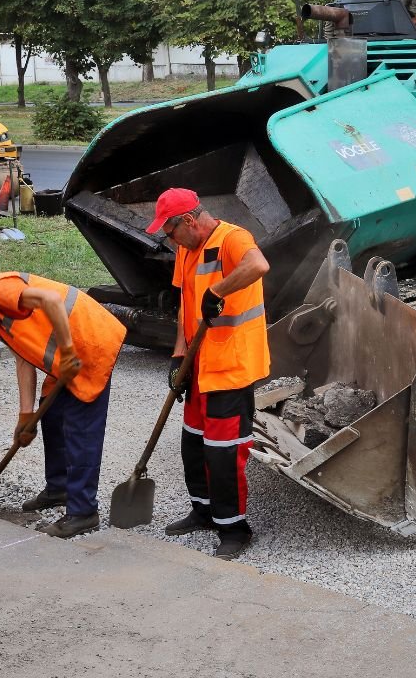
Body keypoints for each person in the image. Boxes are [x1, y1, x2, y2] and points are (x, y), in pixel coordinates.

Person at [0, 271, 127, 538]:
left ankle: (83, 512)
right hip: (65, 354)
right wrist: (25, 416)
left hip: (88, 341)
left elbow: (53, 300)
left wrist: (66, 350)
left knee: (81, 429)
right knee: (51, 416)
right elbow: (24, 359)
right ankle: (60, 488)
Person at [145, 188, 270, 560]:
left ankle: (234, 529)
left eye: (170, 232)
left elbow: (258, 265)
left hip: (231, 365)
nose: (169, 241)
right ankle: (203, 511)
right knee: (193, 443)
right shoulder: (186, 247)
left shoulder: (233, 239)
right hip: (199, 364)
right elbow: (185, 305)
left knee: (224, 452)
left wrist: (219, 289)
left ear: (188, 220)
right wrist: (177, 357)